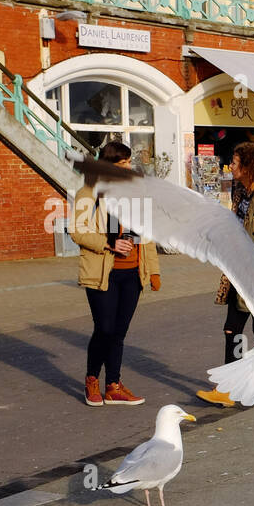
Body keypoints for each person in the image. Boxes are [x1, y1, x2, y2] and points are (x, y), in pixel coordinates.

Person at [197, 141, 254, 406]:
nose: (230, 166)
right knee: (233, 330)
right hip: (241, 277)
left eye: (235, 162)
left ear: (248, 166)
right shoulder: (242, 192)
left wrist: (245, 268)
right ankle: (230, 388)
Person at [72, 141, 160, 407]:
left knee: (119, 331)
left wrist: (153, 270)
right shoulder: (89, 193)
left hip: (132, 273)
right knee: (105, 329)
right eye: (122, 163)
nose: (127, 167)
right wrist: (109, 244)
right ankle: (91, 380)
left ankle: (114, 385)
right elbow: (77, 230)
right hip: (104, 272)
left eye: (128, 162)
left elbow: (146, 235)